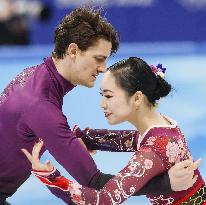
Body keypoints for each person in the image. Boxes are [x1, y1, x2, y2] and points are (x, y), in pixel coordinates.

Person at [0, 6, 199, 205]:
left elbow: (141, 141)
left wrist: (85, 139)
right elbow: (96, 185)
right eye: (99, 59)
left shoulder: (36, 77)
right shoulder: (40, 105)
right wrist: (165, 184)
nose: (103, 68)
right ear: (73, 50)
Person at [22, 57, 205, 205]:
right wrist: (83, 138)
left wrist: (50, 177)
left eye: (109, 96)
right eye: (102, 95)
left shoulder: (152, 151)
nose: (102, 104)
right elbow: (130, 139)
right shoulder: (164, 126)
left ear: (137, 98)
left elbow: (103, 200)